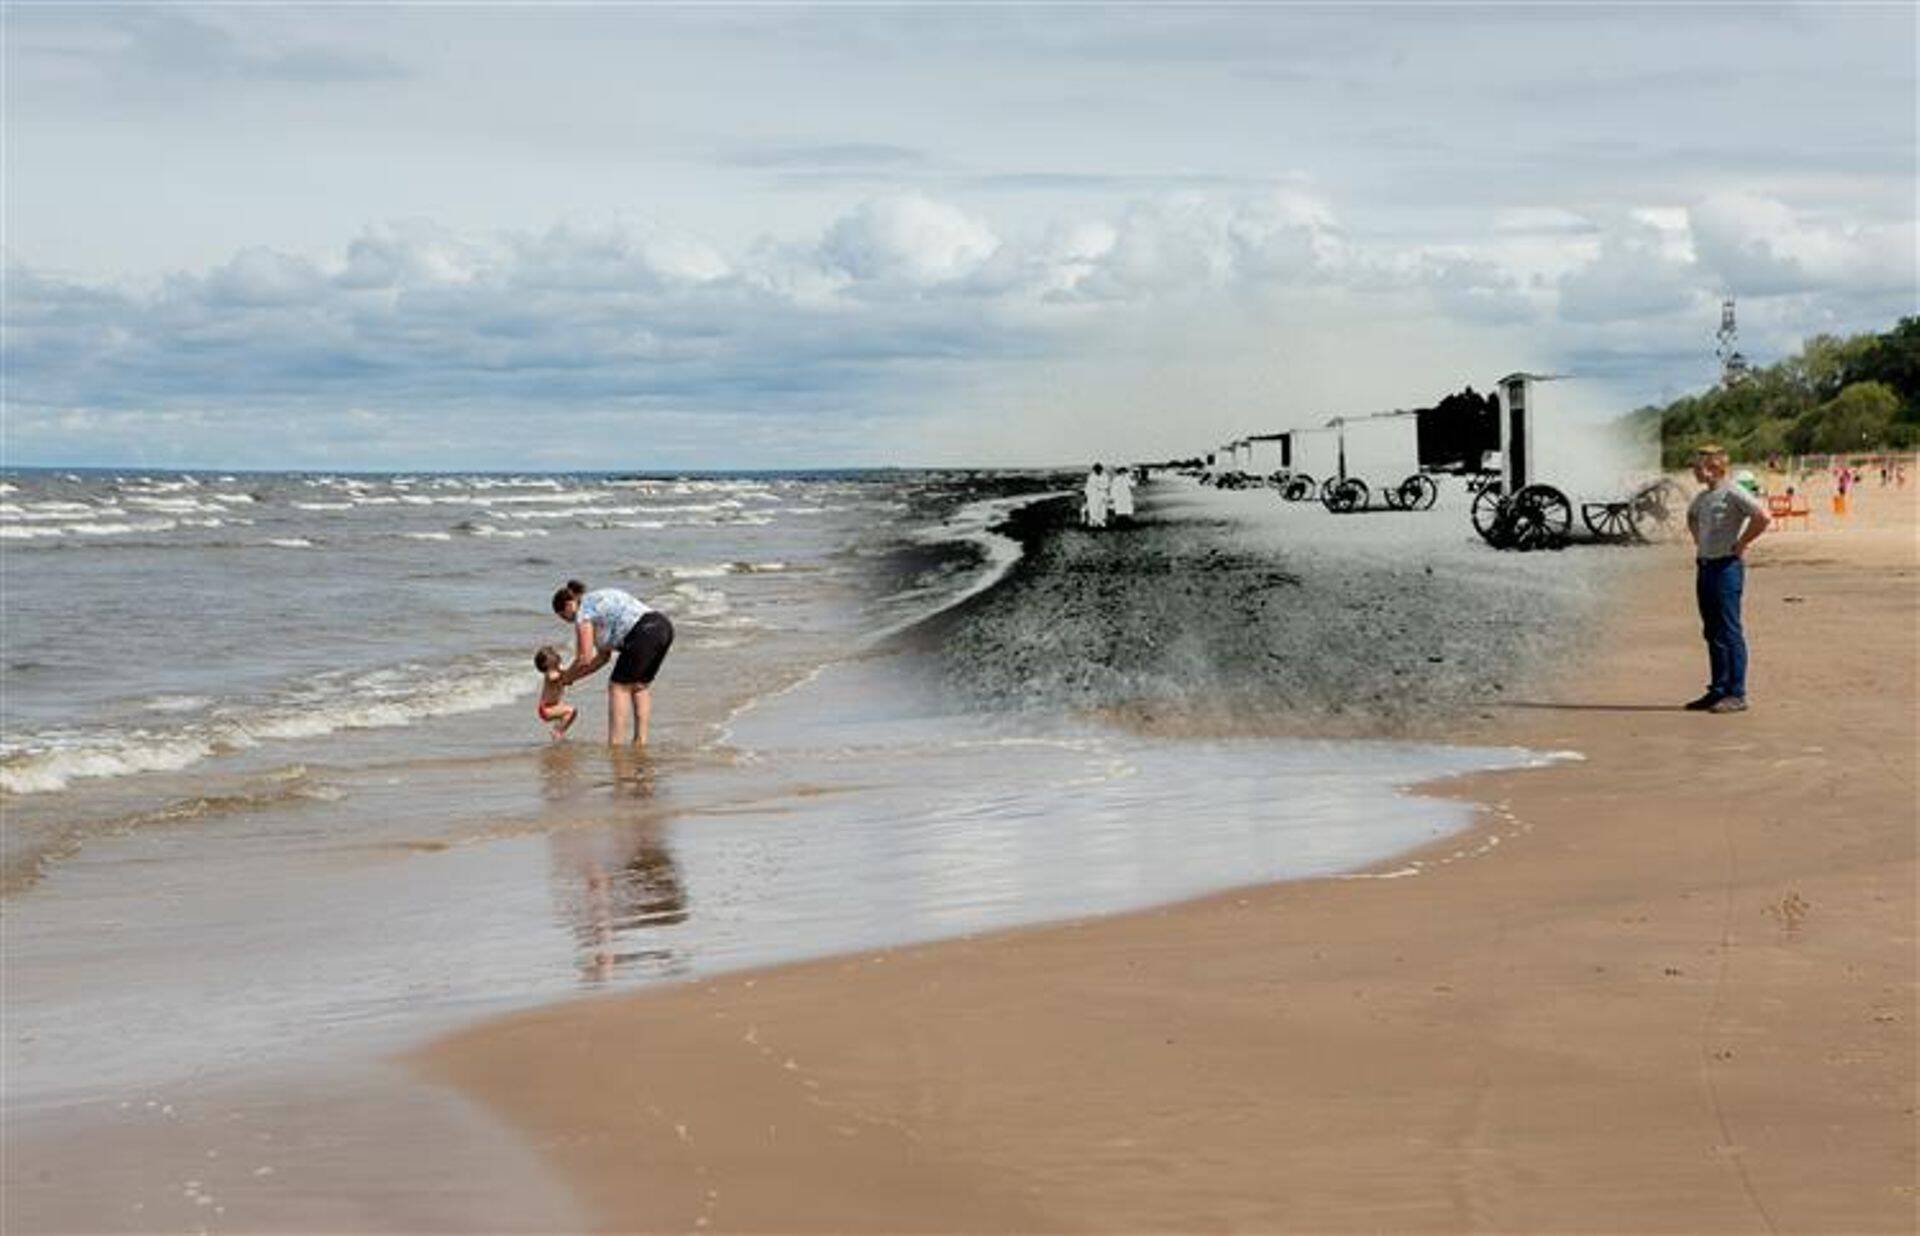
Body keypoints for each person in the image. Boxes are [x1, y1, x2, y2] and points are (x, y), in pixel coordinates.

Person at [1684, 445, 1770, 714]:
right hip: (1706, 566)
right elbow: (1692, 516)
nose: (1694, 471)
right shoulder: (1703, 496)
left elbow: (1763, 516)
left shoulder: (1733, 491)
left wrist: (1742, 542)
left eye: (1697, 466)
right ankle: (1718, 689)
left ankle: (1737, 692)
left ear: (1711, 467)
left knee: (1729, 630)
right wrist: (1699, 540)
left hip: (1726, 567)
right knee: (1711, 630)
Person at [551, 579, 675, 746]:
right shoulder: (596, 607)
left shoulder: (583, 612)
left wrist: (565, 678)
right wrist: (572, 678)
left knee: (618, 687)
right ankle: (640, 741)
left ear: (568, 605)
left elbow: (584, 658)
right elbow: (602, 658)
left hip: (642, 632)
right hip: (663, 627)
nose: (566, 621)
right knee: (639, 686)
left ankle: (615, 745)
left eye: (562, 616)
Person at [532, 645, 578, 738]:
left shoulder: (557, 671)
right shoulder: (550, 673)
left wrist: (567, 678)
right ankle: (557, 732)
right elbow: (553, 677)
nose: (556, 656)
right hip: (546, 709)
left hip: (555, 705)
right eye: (553, 656)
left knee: (570, 714)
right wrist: (565, 672)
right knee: (571, 711)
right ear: (546, 664)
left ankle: (559, 733)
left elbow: (567, 681)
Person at [1082, 464, 1111, 529]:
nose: (1098, 471)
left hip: (1102, 495)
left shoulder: (1105, 476)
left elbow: (1106, 485)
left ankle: (1102, 522)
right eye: (1096, 470)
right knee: (1093, 509)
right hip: (1093, 495)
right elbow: (1088, 487)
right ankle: (1093, 523)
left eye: (1099, 470)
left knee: (1102, 509)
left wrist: (1101, 488)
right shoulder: (1091, 477)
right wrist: (1086, 495)